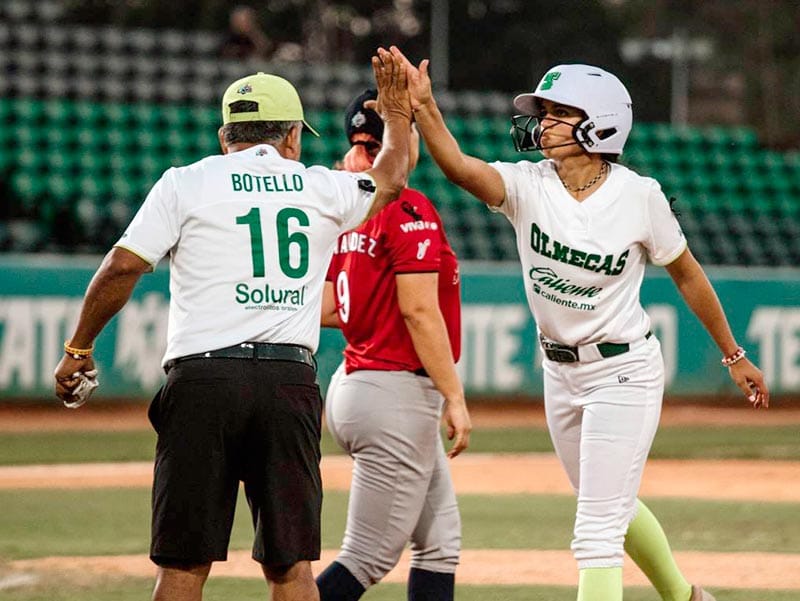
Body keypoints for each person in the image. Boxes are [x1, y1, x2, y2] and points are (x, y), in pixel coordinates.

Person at [394, 53, 769, 601]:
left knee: (596, 531)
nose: (543, 123)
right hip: (560, 372)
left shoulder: (639, 195)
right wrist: (426, 108)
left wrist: (733, 355)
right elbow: (457, 166)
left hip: (623, 371)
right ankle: (687, 597)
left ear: (601, 123)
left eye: (559, 113)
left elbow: (688, 275)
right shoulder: (528, 184)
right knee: (611, 506)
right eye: (544, 112)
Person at [53, 48, 413, 601]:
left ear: (226, 136)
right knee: (291, 567)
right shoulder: (320, 186)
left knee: (183, 565)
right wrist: (397, 114)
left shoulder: (186, 182)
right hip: (288, 383)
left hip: (203, 382)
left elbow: (123, 265)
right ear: (292, 136)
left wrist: (79, 349)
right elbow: (391, 177)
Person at [314, 89, 471, 601]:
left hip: (355, 386)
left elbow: (330, 308)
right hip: (395, 394)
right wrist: (454, 396)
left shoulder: (346, 203)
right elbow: (419, 312)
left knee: (439, 543)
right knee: (366, 557)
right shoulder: (407, 206)